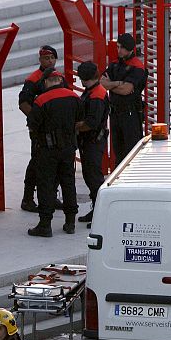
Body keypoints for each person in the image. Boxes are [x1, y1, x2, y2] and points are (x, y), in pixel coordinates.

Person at [27, 71, 83, 238]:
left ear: (46, 83)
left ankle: (45, 225)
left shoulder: (41, 100)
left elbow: (32, 125)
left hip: (47, 149)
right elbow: (80, 120)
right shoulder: (74, 97)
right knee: (68, 183)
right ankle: (70, 221)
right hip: (68, 148)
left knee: (46, 185)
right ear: (60, 80)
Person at [19, 45, 64, 214]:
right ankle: (28, 198)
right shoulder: (33, 79)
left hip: (56, 130)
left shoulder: (58, 77)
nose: (50, 61)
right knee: (36, 162)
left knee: (57, 162)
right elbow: (23, 103)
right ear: (40, 60)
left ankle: (51, 196)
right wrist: (38, 120)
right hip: (39, 130)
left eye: (52, 58)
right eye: (46, 58)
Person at [101, 32, 148, 166]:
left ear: (130, 48)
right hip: (115, 113)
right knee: (118, 151)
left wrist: (112, 85)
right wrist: (118, 84)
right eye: (118, 47)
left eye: (122, 47)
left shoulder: (137, 66)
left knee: (132, 151)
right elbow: (102, 83)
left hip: (130, 114)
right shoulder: (114, 64)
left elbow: (126, 90)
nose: (119, 50)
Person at [76, 61, 109, 228]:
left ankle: (100, 214)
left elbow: (91, 123)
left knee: (94, 177)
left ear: (83, 79)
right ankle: (96, 210)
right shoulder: (94, 91)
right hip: (90, 140)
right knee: (90, 176)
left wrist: (74, 126)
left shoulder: (96, 96)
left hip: (93, 140)